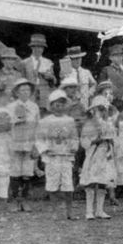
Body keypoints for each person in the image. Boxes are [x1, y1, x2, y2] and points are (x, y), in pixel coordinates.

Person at [35, 89, 80, 220]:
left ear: (65, 105)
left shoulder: (70, 121)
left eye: (61, 103)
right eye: (55, 103)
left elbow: (74, 137)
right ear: (51, 105)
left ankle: (69, 211)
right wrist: (45, 149)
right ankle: (54, 211)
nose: (58, 106)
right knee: (52, 183)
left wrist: (73, 147)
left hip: (65, 156)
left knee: (67, 184)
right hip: (52, 157)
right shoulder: (45, 121)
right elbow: (39, 138)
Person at [79, 95, 118, 219]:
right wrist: (95, 140)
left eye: (104, 109)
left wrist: (111, 141)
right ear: (93, 110)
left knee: (103, 181)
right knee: (91, 181)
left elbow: (115, 138)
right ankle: (89, 210)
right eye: (99, 109)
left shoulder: (109, 123)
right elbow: (84, 142)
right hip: (94, 154)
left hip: (105, 154)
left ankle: (99, 210)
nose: (102, 112)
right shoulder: (90, 124)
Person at [7, 78, 39, 211]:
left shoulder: (34, 106)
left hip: (29, 142)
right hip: (15, 142)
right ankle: (14, 200)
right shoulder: (11, 106)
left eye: (27, 90)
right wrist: (17, 120)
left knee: (27, 172)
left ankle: (25, 200)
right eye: (22, 90)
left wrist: (36, 144)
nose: (25, 92)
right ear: (16, 92)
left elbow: (38, 126)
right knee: (15, 172)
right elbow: (7, 124)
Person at [21, 33, 57, 111]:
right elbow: (22, 81)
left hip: (44, 97)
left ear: (43, 48)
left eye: (41, 47)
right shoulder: (24, 63)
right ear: (32, 47)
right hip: (30, 96)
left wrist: (50, 77)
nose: (38, 50)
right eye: (36, 47)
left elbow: (54, 82)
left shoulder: (48, 62)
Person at [97, 42, 123, 109]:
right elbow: (101, 86)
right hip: (107, 101)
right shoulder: (106, 70)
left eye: (121, 56)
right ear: (110, 58)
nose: (119, 58)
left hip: (120, 103)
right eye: (116, 56)